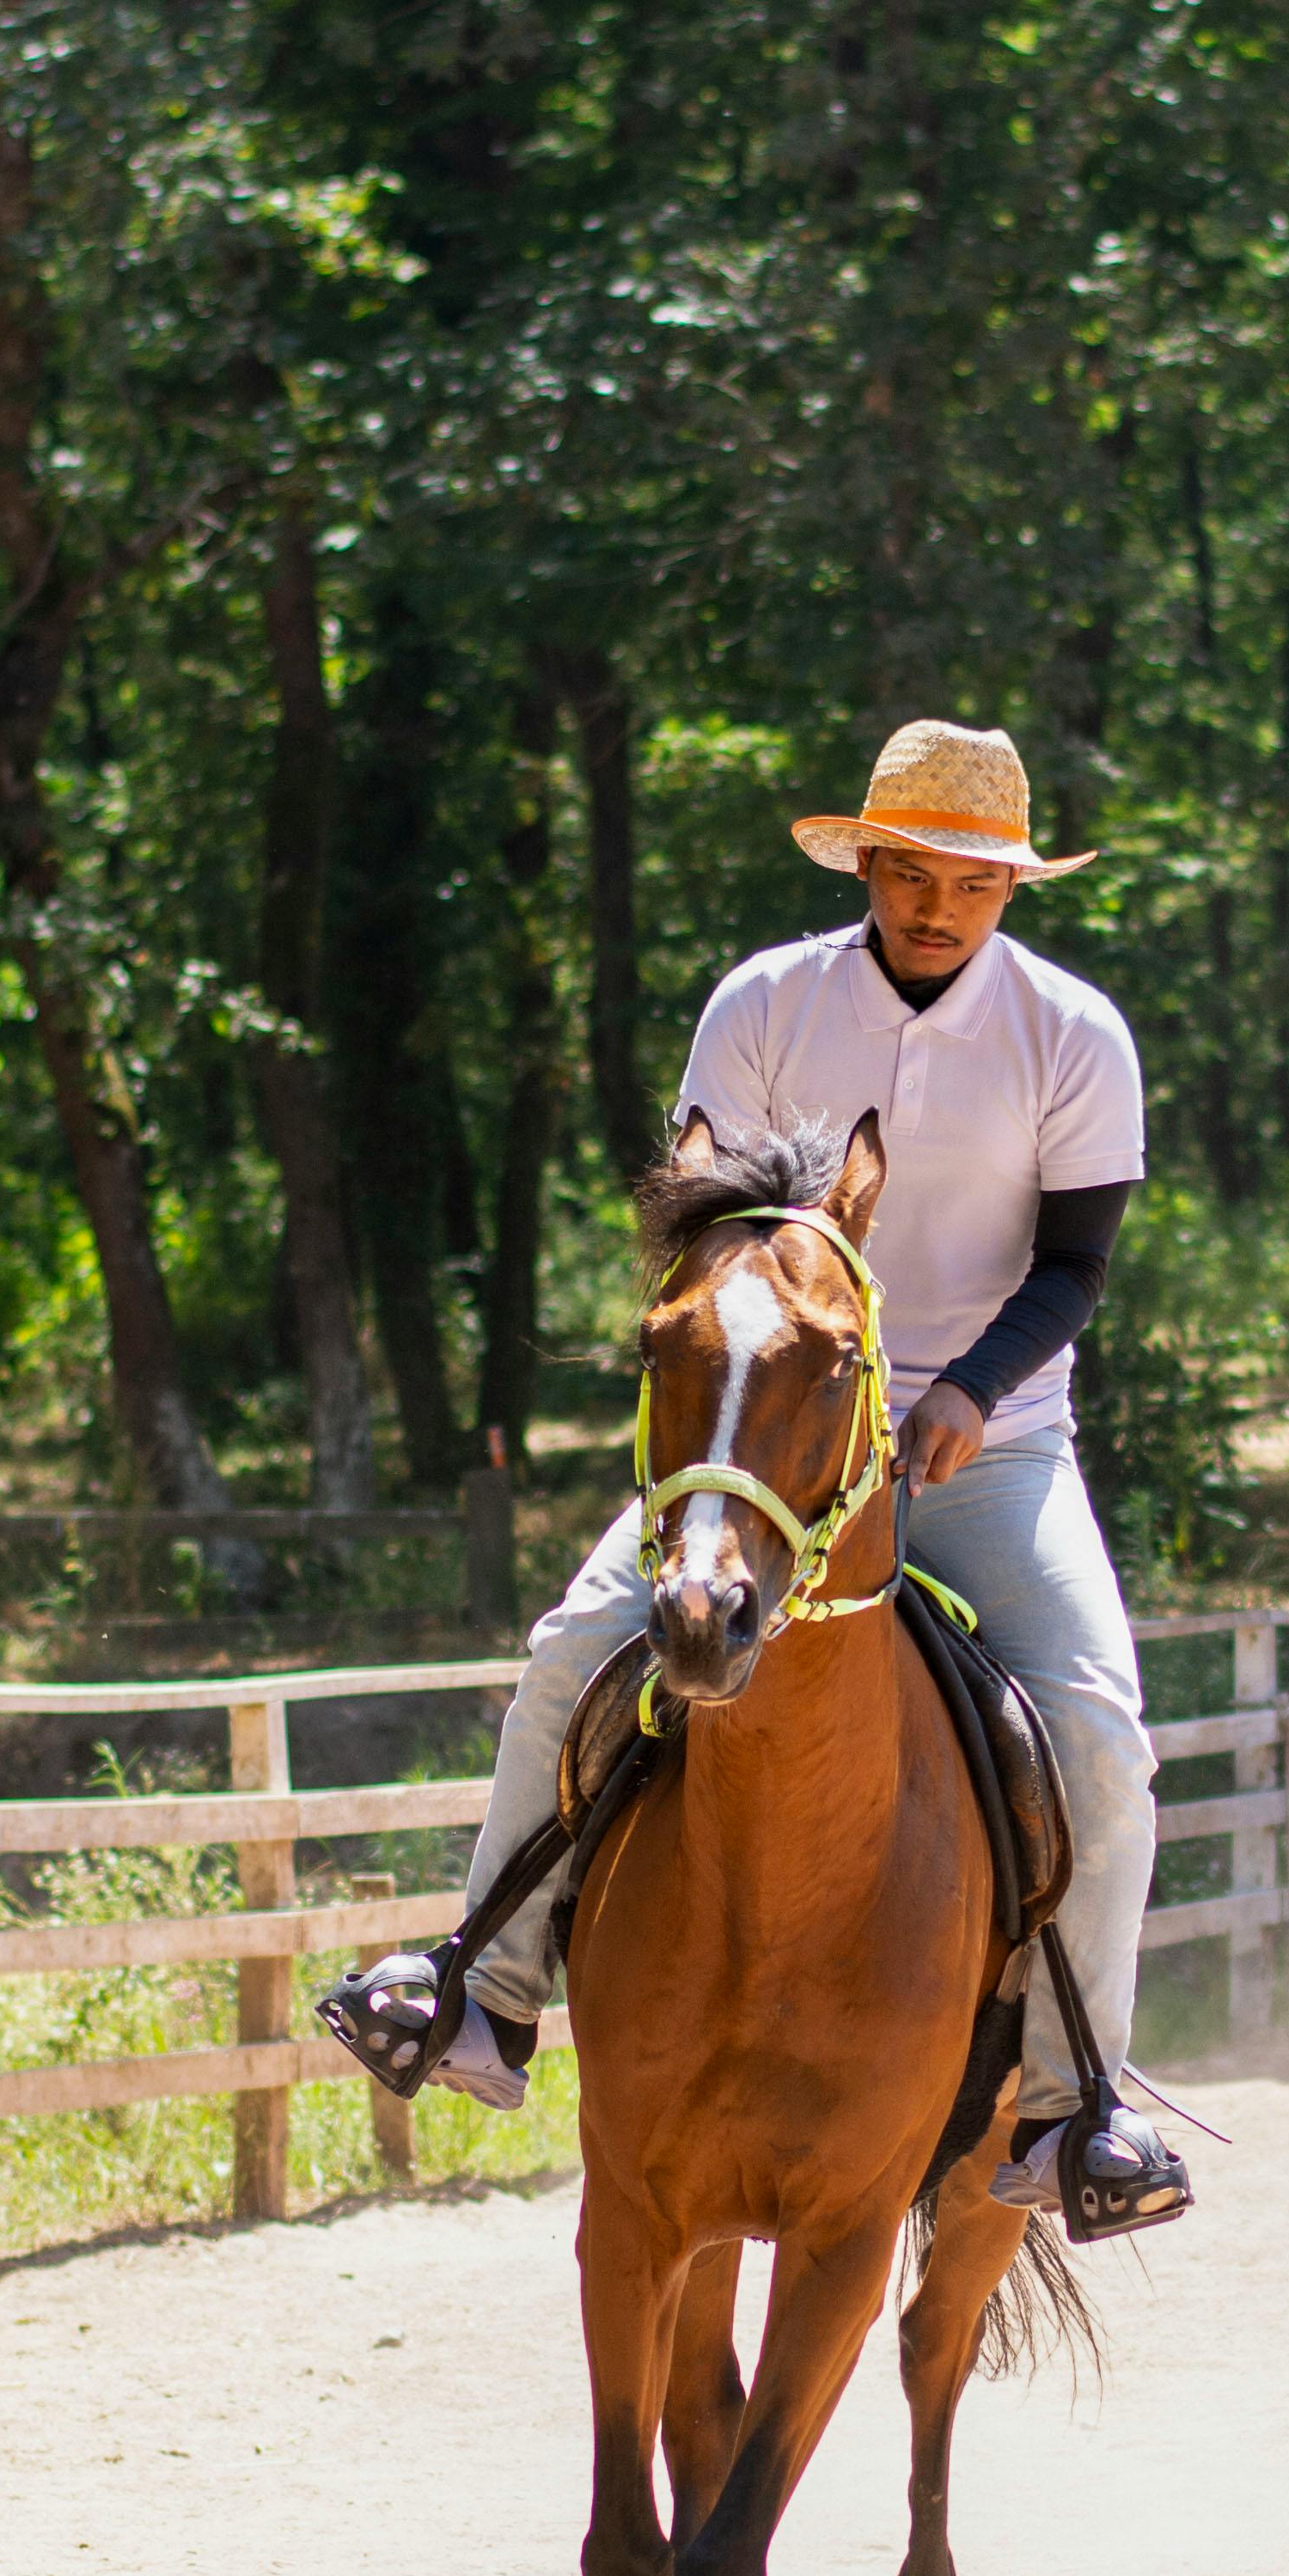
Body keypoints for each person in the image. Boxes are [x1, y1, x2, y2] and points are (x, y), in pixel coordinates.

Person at [327, 717, 1192, 2237]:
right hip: (768, 1430)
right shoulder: (765, 1003)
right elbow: (704, 1229)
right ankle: (485, 1983)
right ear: (866, 860)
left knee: (1104, 1745)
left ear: (1012, 888)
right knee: (569, 1657)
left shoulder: (1077, 1032)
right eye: (912, 872)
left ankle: (1076, 2108)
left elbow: (1076, 1268)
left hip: (985, 1444)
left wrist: (973, 1394)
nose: (938, 906)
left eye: (975, 883)